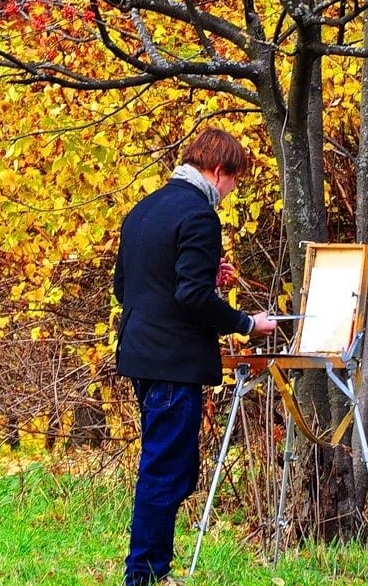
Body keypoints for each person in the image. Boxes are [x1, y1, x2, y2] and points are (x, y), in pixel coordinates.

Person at [114, 127, 277, 586]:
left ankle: (148, 568)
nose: (230, 193)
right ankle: (145, 574)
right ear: (219, 171)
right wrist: (247, 323)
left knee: (176, 468)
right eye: (234, 182)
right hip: (172, 362)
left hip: (140, 354)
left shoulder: (143, 210)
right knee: (166, 471)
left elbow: (127, 289)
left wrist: (207, 279)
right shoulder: (200, 216)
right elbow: (189, 298)